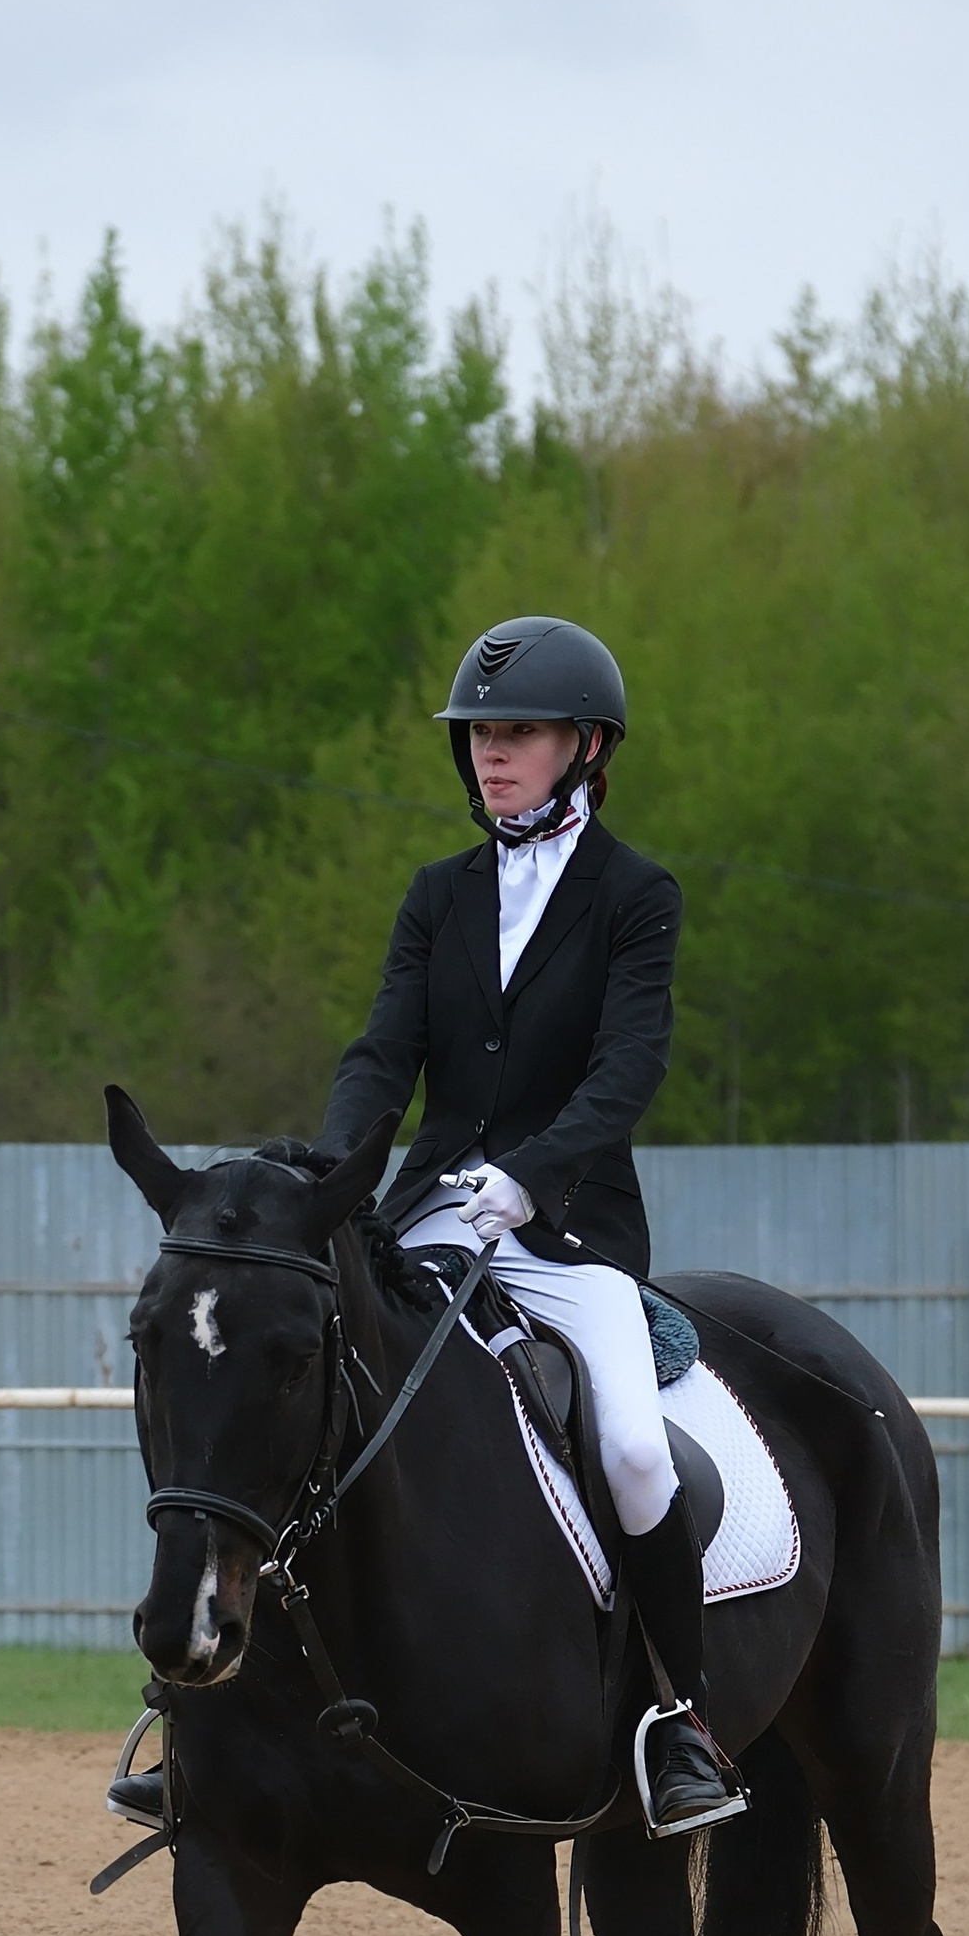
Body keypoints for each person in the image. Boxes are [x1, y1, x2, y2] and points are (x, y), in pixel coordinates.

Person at [316, 613, 741, 1834]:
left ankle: (680, 1721)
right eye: (478, 735)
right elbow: (381, 1051)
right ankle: (236, 1706)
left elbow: (627, 1069)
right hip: (429, 1217)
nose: (491, 754)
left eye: (519, 733)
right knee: (313, 1393)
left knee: (634, 1451)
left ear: (587, 746)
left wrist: (532, 1178)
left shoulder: (635, 897)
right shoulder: (435, 897)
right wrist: (335, 1171)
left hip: (569, 1235)